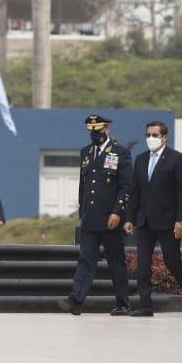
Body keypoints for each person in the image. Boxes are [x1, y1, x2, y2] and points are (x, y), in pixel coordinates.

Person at [59, 115, 133, 315]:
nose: (95, 135)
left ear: (106, 129)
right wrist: (82, 209)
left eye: (98, 131)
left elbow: (126, 187)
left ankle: (123, 303)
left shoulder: (120, 153)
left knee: (116, 262)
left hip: (111, 219)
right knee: (86, 259)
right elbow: (84, 185)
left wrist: (118, 212)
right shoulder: (86, 152)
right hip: (90, 218)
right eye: (91, 132)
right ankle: (76, 300)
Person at [123, 121, 182, 316]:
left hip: (168, 221)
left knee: (172, 260)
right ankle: (146, 306)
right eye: (148, 134)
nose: (151, 138)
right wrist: (129, 218)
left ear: (165, 137)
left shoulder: (177, 159)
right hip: (144, 221)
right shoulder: (140, 159)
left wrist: (181, 220)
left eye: (155, 135)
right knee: (142, 266)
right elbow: (135, 192)